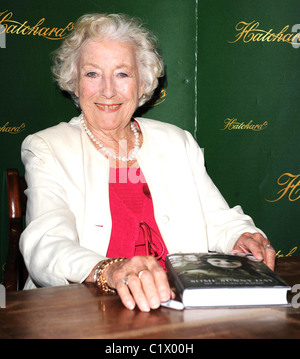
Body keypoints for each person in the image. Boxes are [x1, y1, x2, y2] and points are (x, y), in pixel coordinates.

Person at [20, 13, 276, 312]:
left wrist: (242, 235)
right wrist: (110, 270)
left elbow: (216, 218)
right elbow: (46, 245)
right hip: (87, 310)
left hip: (179, 306)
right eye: (92, 74)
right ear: (74, 83)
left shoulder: (176, 141)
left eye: (122, 74)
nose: (108, 91)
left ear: (142, 83)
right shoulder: (47, 147)